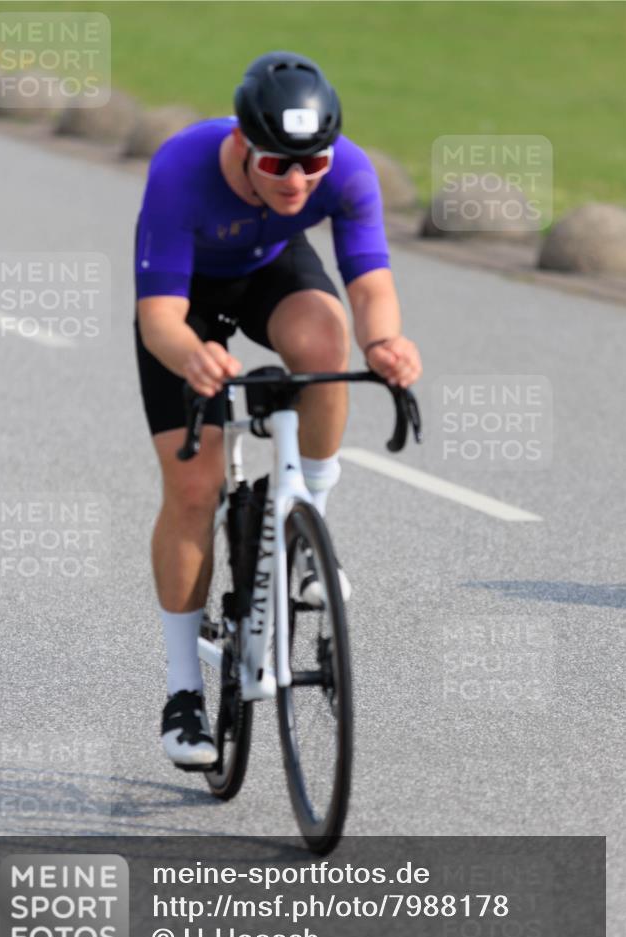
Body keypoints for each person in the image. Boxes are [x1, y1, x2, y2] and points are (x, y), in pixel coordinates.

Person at [134, 51, 422, 769]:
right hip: (186, 301)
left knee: (326, 342)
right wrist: (191, 356)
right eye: (276, 167)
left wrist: (385, 342)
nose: (297, 182)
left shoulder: (347, 170)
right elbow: (159, 319)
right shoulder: (181, 169)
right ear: (240, 142)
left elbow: (369, 281)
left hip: (270, 274)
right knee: (193, 487)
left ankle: (308, 523)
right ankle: (182, 692)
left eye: (311, 164)